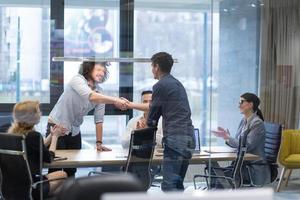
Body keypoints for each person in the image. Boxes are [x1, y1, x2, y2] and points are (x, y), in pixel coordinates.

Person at [125, 52, 195, 191]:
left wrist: (146, 125)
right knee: (177, 184)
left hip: (176, 140)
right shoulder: (177, 84)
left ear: (156, 66)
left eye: (152, 66)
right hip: (189, 138)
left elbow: (153, 114)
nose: (152, 70)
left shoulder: (160, 85)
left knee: (168, 186)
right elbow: (156, 107)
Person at [47, 61, 127, 176]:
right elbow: (90, 95)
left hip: (75, 131)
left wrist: (99, 143)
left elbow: (99, 119)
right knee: (55, 168)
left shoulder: (100, 92)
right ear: (89, 69)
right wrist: (115, 100)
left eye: (104, 71)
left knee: (72, 169)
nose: (102, 73)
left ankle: (70, 193)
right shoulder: (77, 80)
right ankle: (54, 193)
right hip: (56, 127)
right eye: (98, 70)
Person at [7, 100, 67, 199]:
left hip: (11, 188)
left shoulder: (13, 134)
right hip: (30, 188)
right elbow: (49, 158)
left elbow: (37, 147)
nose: (40, 114)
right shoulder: (34, 135)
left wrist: (51, 136)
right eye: (38, 111)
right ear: (31, 116)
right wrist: (56, 137)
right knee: (63, 174)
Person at [211, 93, 271, 187]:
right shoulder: (244, 120)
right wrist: (226, 137)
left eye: (241, 102)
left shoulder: (257, 123)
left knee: (218, 178)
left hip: (251, 168)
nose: (239, 105)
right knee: (214, 174)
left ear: (250, 105)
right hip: (242, 165)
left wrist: (228, 137)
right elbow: (239, 144)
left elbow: (246, 146)